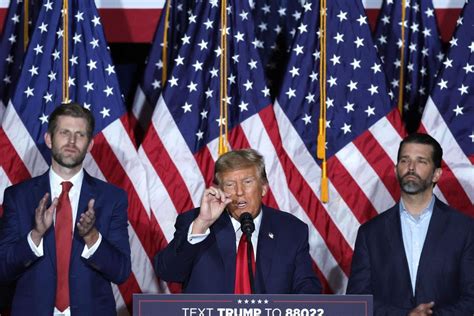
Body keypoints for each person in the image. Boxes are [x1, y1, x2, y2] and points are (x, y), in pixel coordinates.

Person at [0, 103, 131, 315]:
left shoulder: (112, 198)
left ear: (90, 144)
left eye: (80, 135)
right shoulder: (18, 196)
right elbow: (3, 268)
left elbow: (121, 272)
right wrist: (35, 235)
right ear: (49, 139)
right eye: (64, 133)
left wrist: (91, 236)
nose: (72, 141)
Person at [154, 149, 321, 294]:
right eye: (230, 184)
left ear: (263, 187)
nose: (239, 192)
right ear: (219, 190)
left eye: (247, 182)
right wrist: (202, 224)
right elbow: (168, 272)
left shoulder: (291, 230)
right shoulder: (195, 222)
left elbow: (306, 287)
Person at [347, 133, 474, 315]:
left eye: (421, 161)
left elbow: (471, 298)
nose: (411, 168)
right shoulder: (370, 233)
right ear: (396, 169)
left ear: (436, 174)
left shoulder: (464, 229)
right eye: (405, 160)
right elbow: (357, 298)